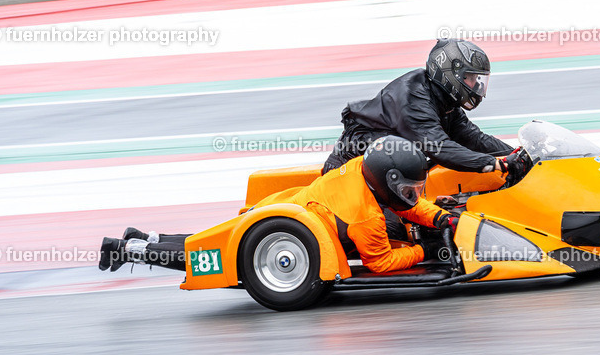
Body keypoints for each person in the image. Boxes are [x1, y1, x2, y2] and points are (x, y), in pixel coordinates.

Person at [98, 136, 458, 275]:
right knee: (214, 257)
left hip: (283, 205)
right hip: (283, 234)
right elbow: (380, 263)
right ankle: (127, 249)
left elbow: (404, 205)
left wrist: (438, 216)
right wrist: (420, 249)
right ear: (388, 181)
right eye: (411, 189)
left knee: (209, 239)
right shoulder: (367, 219)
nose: (415, 196)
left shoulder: (360, 171)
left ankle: (145, 236)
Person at [323, 38, 533, 182]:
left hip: (386, 173)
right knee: (397, 230)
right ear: (451, 74)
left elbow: (471, 137)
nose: (476, 86)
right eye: (470, 79)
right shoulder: (413, 98)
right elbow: (439, 148)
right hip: (351, 174)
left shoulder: (443, 98)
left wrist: (520, 155)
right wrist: (496, 164)